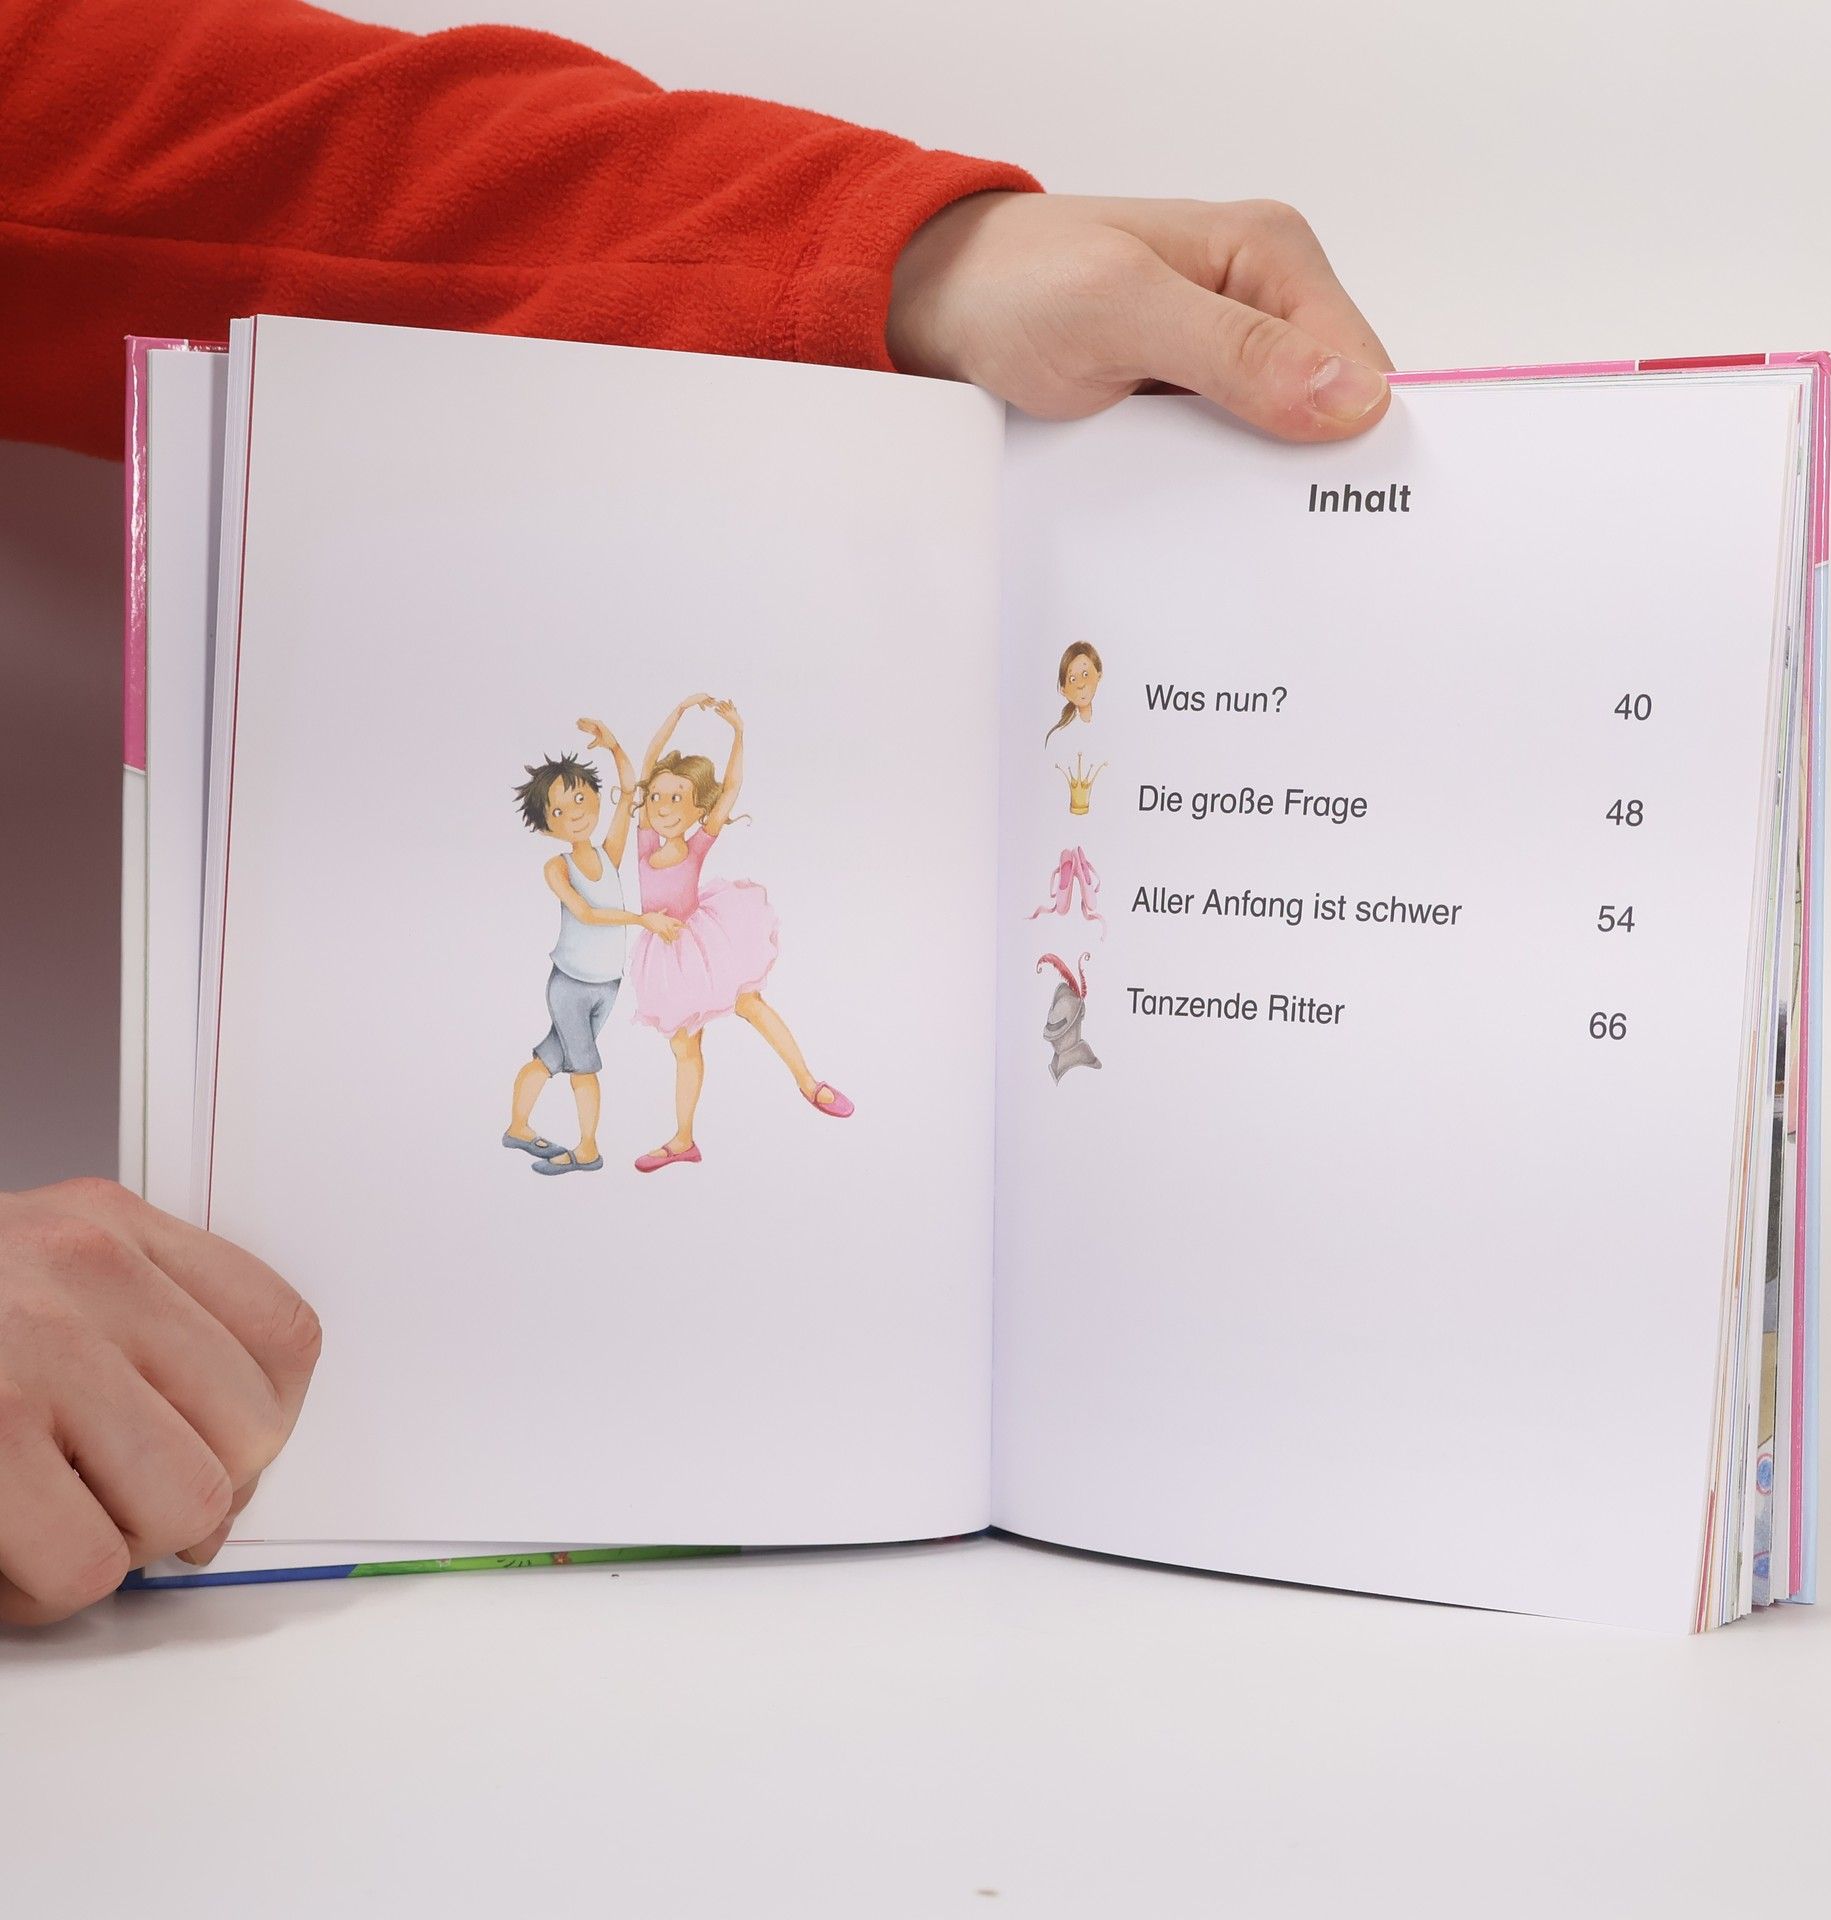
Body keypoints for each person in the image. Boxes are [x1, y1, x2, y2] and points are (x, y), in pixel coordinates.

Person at [0, 0, 1393, 1624]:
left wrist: (904, 262)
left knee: (738, 1032)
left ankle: (684, 1111)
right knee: (629, 1054)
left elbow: (142, 151)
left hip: (672, 945)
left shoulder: (678, 820)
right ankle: (613, 1131)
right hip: (614, 979)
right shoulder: (615, 847)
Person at [626, 695, 850, 1174]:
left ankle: (808, 1082)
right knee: (685, 1047)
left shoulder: (696, 845)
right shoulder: (644, 840)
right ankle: (683, 1140)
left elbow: (731, 787)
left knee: (750, 1003)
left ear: (698, 810)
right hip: (664, 958)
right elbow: (648, 763)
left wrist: (738, 733)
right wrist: (678, 712)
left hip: (703, 942)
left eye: (678, 799)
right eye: (658, 797)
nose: (663, 806)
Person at [507, 719, 666, 1176]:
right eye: (559, 810)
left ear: (596, 796)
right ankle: (588, 1149)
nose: (575, 812)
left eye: (580, 798)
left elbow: (630, 791)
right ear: (546, 827)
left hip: (606, 984)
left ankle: (518, 1127)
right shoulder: (557, 867)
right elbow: (588, 913)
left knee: (550, 1057)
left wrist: (614, 745)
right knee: (584, 1068)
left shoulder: (607, 854)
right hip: (572, 985)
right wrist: (641, 920)